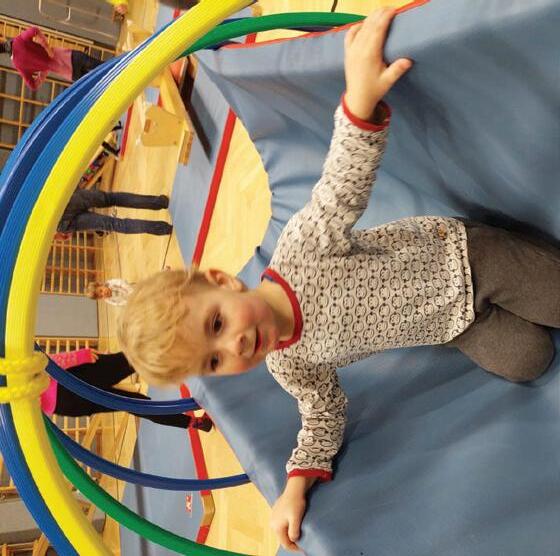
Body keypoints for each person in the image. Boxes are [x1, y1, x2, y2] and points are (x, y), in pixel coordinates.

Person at [117, 8, 560, 551]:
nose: (234, 345)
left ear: (222, 282)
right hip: (454, 323)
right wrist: (296, 485)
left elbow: (341, 183)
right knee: (529, 360)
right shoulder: (288, 363)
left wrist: (358, 99)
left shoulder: (301, 253)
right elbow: (321, 414)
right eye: (213, 361)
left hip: (466, 259)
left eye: (215, 324)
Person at [43, 348, 213, 432]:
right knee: (133, 359)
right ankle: (186, 353)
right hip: (67, 380)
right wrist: (79, 356)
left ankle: (194, 423)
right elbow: (42, 364)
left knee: (136, 404)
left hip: (65, 406)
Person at [0, 27, 105, 91]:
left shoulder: (17, 64)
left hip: (69, 73)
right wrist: (47, 48)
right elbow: (34, 30)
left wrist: (43, 70)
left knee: (100, 84)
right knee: (104, 67)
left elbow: (33, 85)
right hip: (70, 56)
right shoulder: (18, 41)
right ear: (1, 40)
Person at [54, 188, 172, 237]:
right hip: (61, 201)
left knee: (115, 225)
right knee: (113, 198)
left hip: (59, 223)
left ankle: (164, 229)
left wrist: (61, 231)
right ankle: (160, 202)